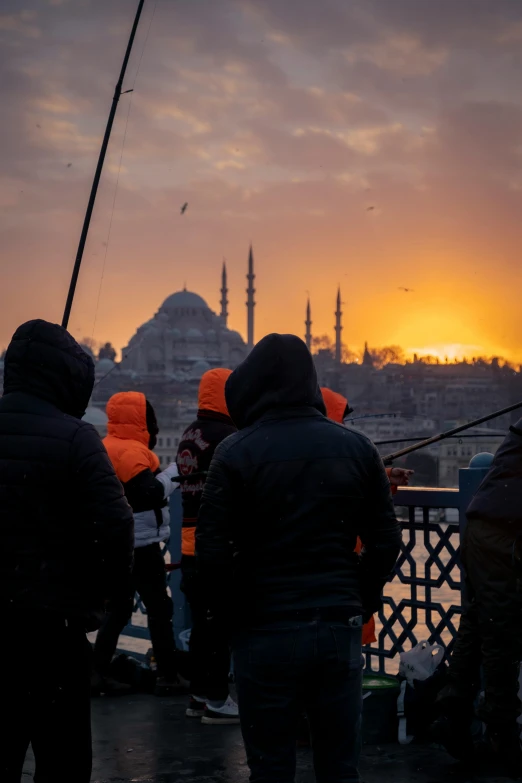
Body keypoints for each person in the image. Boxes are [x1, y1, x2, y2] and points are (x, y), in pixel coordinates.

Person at [197, 334, 402, 783]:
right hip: (336, 627)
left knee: (271, 767)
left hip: (263, 628)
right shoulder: (358, 448)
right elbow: (386, 543)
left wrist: (237, 612)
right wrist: (357, 595)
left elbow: (211, 551)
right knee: (339, 766)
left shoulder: (235, 452)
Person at [0, 320, 134, 783]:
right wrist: (98, 596)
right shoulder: (76, 438)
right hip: (52, 632)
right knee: (62, 759)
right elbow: (116, 526)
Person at [433, 421, 522, 775]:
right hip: (502, 540)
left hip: (482, 531)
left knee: (477, 626)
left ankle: (453, 717)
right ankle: (501, 736)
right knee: (501, 636)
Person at [92, 391, 181, 696]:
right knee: (159, 609)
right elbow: (149, 493)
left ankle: (97, 671)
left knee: (117, 610)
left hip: (112, 542)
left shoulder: (105, 445)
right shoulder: (131, 452)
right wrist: (175, 473)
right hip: (140, 543)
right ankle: (168, 674)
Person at [321, 387, 413, 645]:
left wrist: (385, 474)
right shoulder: (336, 453)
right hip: (339, 586)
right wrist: (365, 595)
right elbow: (341, 482)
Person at [176, 368, 239, 724]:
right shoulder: (227, 435)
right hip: (216, 543)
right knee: (218, 627)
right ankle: (217, 699)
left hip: (187, 544)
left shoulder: (190, 433)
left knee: (202, 625)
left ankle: (198, 695)